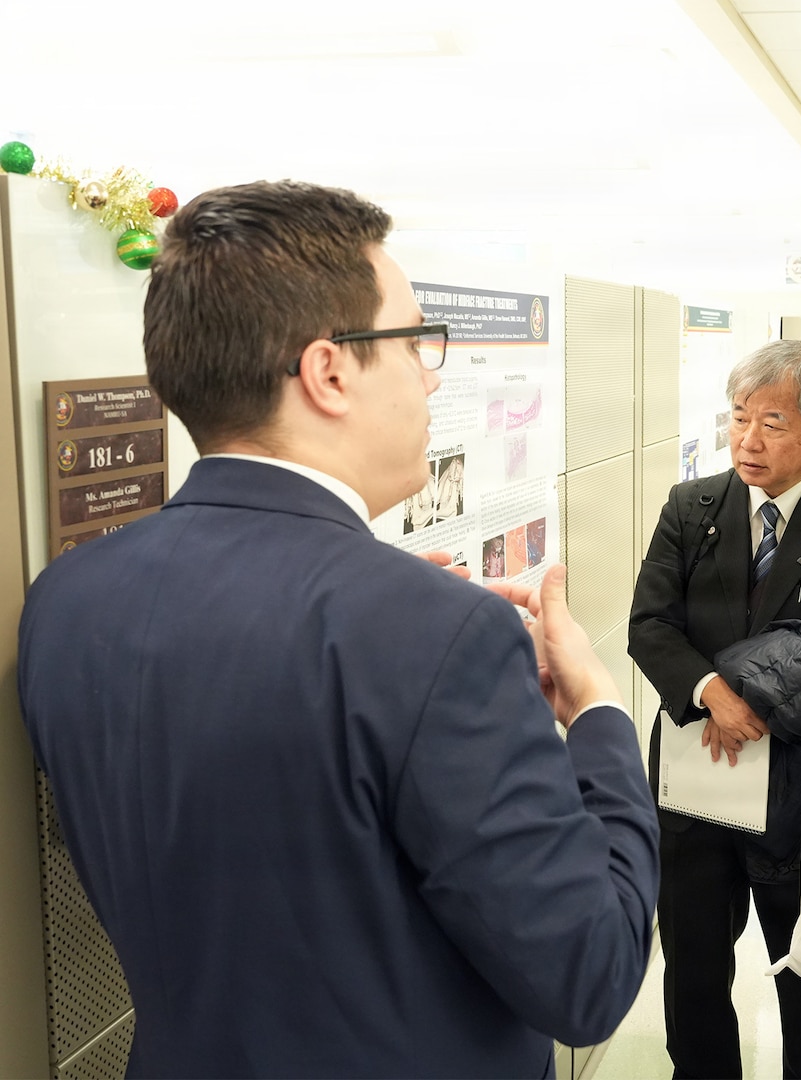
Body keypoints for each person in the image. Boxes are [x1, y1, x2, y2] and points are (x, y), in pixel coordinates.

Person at [18, 181, 659, 1078]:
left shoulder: (66, 600)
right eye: (415, 342)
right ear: (328, 372)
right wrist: (599, 717)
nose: (429, 375)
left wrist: (407, 648)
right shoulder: (436, 636)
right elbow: (588, 977)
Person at [629, 340, 801, 1079]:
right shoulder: (693, 508)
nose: (747, 440)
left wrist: (752, 697)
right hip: (696, 785)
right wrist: (711, 693)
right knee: (692, 973)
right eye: (738, 418)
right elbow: (649, 624)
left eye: (772, 422)